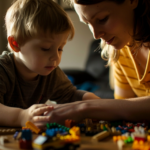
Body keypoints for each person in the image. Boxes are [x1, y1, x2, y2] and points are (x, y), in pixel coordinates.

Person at [45, 0, 150, 124]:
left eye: (102, 19)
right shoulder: (119, 49)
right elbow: (124, 109)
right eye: (87, 23)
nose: (95, 35)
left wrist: (85, 108)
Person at [0, 0, 100, 128]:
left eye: (60, 48)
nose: (56, 57)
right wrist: (21, 116)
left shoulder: (51, 73)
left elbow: (69, 95)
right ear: (16, 44)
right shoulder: (3, 69)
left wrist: (88, 98)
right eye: (46, 48)